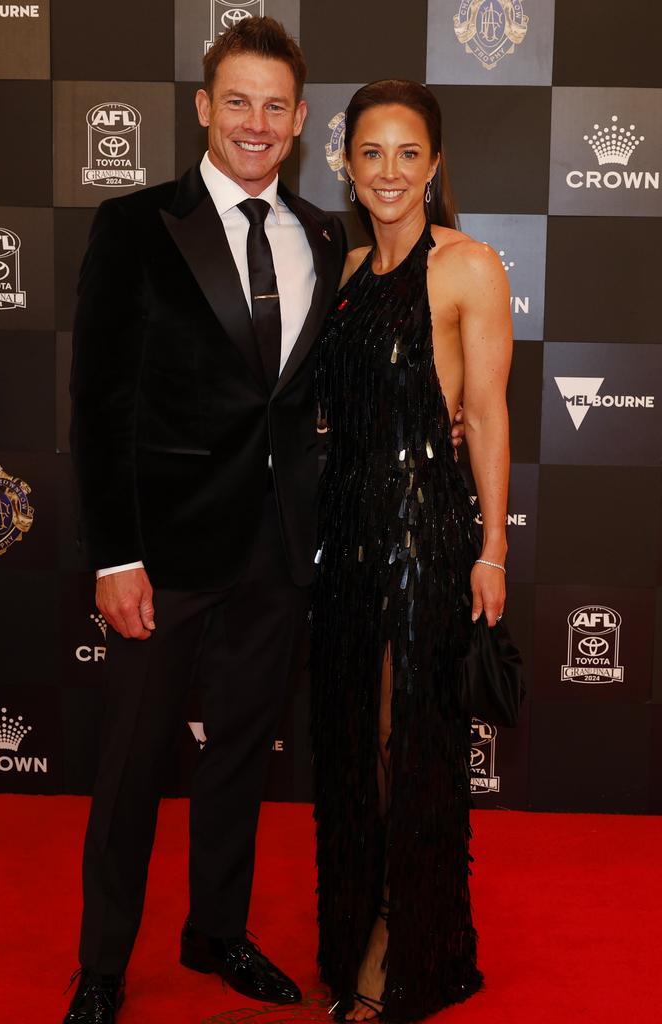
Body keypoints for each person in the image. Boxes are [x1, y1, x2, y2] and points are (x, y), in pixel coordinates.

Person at [65, 18, 348, 1023]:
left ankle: (215, 933)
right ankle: (102, 964)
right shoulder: (136, 226)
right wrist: (118, 555)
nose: (256, 123)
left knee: (239, 756)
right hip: (166, 553)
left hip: (277, 551)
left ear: (302, 119)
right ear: (202, 107)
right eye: (238, 101)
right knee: (133, 765)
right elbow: (99, 404)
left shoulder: (324, 233)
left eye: (276, 105)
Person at [311, 81, 512, 1023]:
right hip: (345, 537)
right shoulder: (343, 273)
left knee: (404, 742)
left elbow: (490, 416)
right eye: (371, 153)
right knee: (351, 740)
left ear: (435, 167)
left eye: (407, 154)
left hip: (418, 538)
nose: (388, 171)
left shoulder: (467, 267)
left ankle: (404, 938)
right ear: (346, 164)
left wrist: (491, 550)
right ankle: (356, 919)